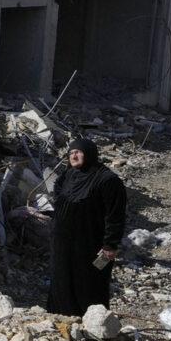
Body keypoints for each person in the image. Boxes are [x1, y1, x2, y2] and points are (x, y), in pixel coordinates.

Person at [45, 135, 128, 315]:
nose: (74, 156)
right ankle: (61, 319)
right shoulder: (68, 176)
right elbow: (58, 196)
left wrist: (110, 245)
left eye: (79, 152)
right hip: (63, 242)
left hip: (90, 243)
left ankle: (91, 324)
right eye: (71, 153)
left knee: (88, 282)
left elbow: (115, 215)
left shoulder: (107, 180)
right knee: (61, 279)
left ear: (89, 154)